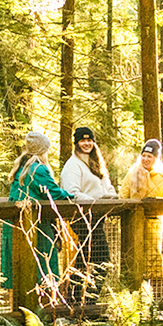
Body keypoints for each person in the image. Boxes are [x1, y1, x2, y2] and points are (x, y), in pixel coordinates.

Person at [0, 131, 68, 295]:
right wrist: (72, 196)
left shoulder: (22, 167)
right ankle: (42, 311)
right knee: (42, 267)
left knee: (18, 267)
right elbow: (54, 193)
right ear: (42, 150)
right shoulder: (38, 169)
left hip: (16, 224)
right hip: (35, 226)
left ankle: (18, 311)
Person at [58, 126, 114, 304]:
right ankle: (84, 300)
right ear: (76, 143)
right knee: (102, 259)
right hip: (82, 217)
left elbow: (106, 187)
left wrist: (113, 198)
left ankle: (78, 300)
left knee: (86, 259)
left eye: (89, 140)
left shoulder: (95, 161)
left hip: (96, 217)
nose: (86, 143)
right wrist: (93, 203)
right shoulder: (72, 165)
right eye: (82, 140)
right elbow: (71, 192)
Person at [121, 138, 163, 291]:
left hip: (154, 223)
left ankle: (156, 297)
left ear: (156, 159)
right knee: (133, 256)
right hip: (133, 223)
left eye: (150, 156)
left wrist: (156, 203)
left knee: (153, 256)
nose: (146, 159)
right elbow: (122, 197)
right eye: (144, 156)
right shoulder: (132, 174)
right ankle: (132, 294)